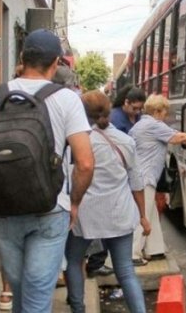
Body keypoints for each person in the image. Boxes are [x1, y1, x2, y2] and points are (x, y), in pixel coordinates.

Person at [0, 29, 95, 313]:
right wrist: (74, 202)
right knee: (37, 299)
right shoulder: (67, 99)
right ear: (56, 62)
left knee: (20, 292)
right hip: (50, 210)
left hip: (3, 211)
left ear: (22, 58)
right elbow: (85, 163)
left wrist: (2, 177)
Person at [65, 90, 150, 313]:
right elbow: (136, 182)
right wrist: (142, 215)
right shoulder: (126, 141)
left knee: (73, 261)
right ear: (110, 111)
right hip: (119, 212)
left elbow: (69, 178)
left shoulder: (77, 143)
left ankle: (77, 309)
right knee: (125, 270)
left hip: (85, 213)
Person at [130, 94, 186, 265]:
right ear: (157, 111)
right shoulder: (153, 125)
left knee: (150, 214)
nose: (166, 116)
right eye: (165, 112)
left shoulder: (139, 125)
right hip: (145, 178)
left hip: (141, 177)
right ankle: (134, 254)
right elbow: (179, 138)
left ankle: (155, 249)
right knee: (142, 216)